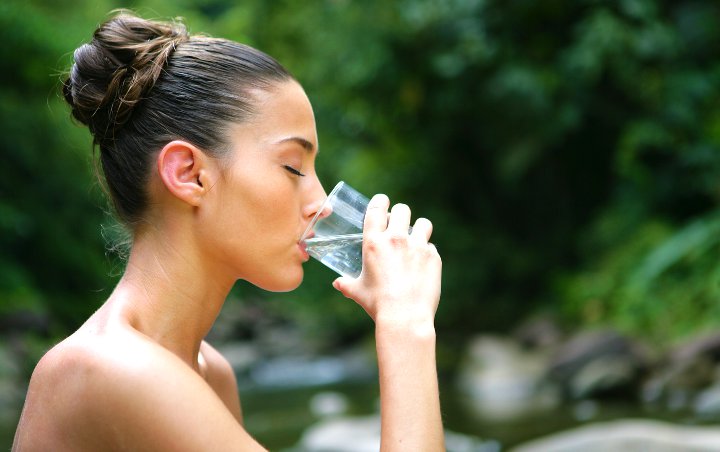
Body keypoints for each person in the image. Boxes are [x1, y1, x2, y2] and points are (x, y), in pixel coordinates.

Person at [12, 10, 443, 451]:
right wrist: (405, 327)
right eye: (293, 166)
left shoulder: (209, 372)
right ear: (189, 175)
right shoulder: (112, 369)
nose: (320, 203)